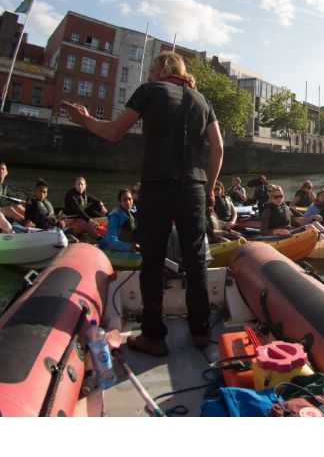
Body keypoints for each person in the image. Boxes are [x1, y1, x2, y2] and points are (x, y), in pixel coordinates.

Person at [66, 51, 224, 356]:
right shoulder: (202, 100)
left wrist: (84, 119)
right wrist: (212, 187)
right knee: (195, 260)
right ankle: (201, 331)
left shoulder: (150, 91)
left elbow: (113, 132)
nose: (149, 74)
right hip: (194, 186)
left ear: (163, 69)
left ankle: (153, 335)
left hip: (157, 184)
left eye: (152, 68)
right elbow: (217, 148)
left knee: (152, 259)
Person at [61, 176, 105, 240]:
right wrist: (90, 220)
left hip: (80, 217)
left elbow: (97, 201)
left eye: (82, 184)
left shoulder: (84, 194)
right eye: (78, 184)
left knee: (97, 205)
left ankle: (106, 219)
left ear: (85, 186)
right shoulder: (71, 195)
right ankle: (99, 239)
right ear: (75, 186)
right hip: (71, 219)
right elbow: (78, 210)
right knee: (86, 223)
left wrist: (101, 205)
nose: (80, 186)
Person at [101, 189, 138, 253]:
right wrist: (130, 247)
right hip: (119, 248)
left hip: (132, 244)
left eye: (130, 199)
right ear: (120, 202)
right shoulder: (115, 217)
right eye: (124, 200)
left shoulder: (134, 212)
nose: (128, 202)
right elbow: (111, 240)